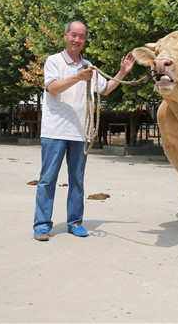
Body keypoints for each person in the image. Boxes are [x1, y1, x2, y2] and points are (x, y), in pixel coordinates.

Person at [33, 20, 135, 241]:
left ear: (84, 40)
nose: (77, 40)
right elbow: (52, 88)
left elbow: (105, 90)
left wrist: (122, 72)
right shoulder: (53, 61)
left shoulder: (89, 66)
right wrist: (77, 77)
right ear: (65, 35)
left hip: (80, 133)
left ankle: (75, 222)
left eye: (82, 36)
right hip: (55, 132)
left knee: (77, 180)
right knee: (48, 179)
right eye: (74, 35)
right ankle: (41, 225)